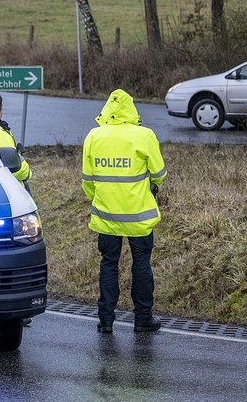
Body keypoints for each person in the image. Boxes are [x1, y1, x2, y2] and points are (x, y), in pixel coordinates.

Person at [81, 89, 166, 334]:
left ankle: (105, 321)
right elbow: (159, 173)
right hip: (139, 217)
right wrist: (151, 188)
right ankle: (143, 319)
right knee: (141, 264)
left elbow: (87, 180)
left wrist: (100, 198)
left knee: (108, 265)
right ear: (132, 109)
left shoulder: (94, 136)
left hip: (106, 217)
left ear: (107, 110)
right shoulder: (144, 135)